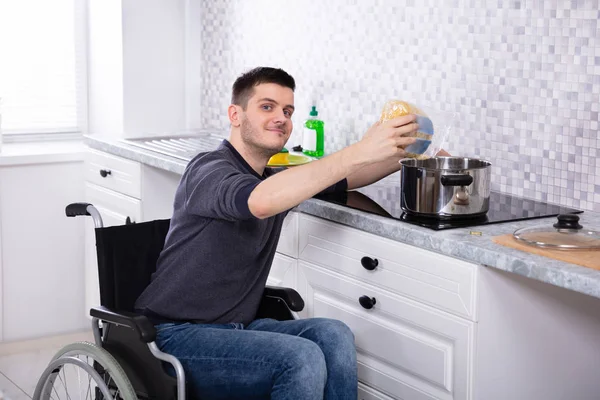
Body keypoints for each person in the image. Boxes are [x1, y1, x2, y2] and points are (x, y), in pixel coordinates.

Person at [135, 66, 424, 399]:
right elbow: (259, 202)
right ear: (235, 115)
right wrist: (358, 149)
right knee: (300, 357)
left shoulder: (273, 178)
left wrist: (407, 151)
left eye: (287, 111)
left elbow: (347, 177)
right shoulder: (209, 169)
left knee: (333, 334)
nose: (281, 118)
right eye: (267, 106)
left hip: (237, 329)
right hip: (174, 335)